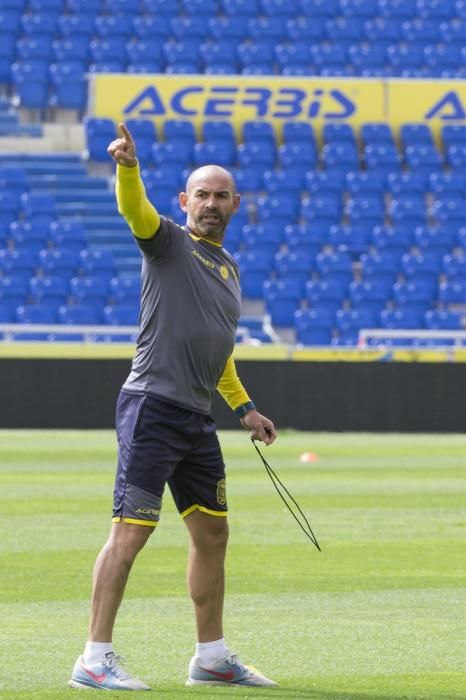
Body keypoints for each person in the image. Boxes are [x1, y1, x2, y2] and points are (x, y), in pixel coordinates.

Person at [69, 122, 278, 691]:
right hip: (151, 408)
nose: (211, 204)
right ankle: (93, 656)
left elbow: (220, 352)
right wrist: (128, 168)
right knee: (130, 532)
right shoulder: (166, 240)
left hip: (194, 419)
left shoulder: (229, 268)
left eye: (221, 196)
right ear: (185, 201)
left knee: (213, 533)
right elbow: (134, 211)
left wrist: (245, 409)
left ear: (236, 204)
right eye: (201, 195)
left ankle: (210, 657)